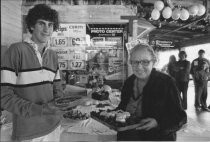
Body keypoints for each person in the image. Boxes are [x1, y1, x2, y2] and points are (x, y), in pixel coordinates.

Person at [1, 4, 65, 141]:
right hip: (28, 133)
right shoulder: (16, 51)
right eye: (41, 24)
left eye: (51, 25)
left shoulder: (53, 55)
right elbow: (4, 97)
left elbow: (58, 91)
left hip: (54, 127)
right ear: (31, 26)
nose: (47, 29)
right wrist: (40, 110)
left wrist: (67, 104)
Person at [117, 44, 187, 141]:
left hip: (157, 137)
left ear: (153, 62)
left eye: (145, 62)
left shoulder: (166, 82)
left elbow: (180, 117)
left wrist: (158, 123)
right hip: (128, 137)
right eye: (135, 62)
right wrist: (114, 114)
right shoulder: (129, 82)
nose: (139, 67)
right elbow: (122, 107)